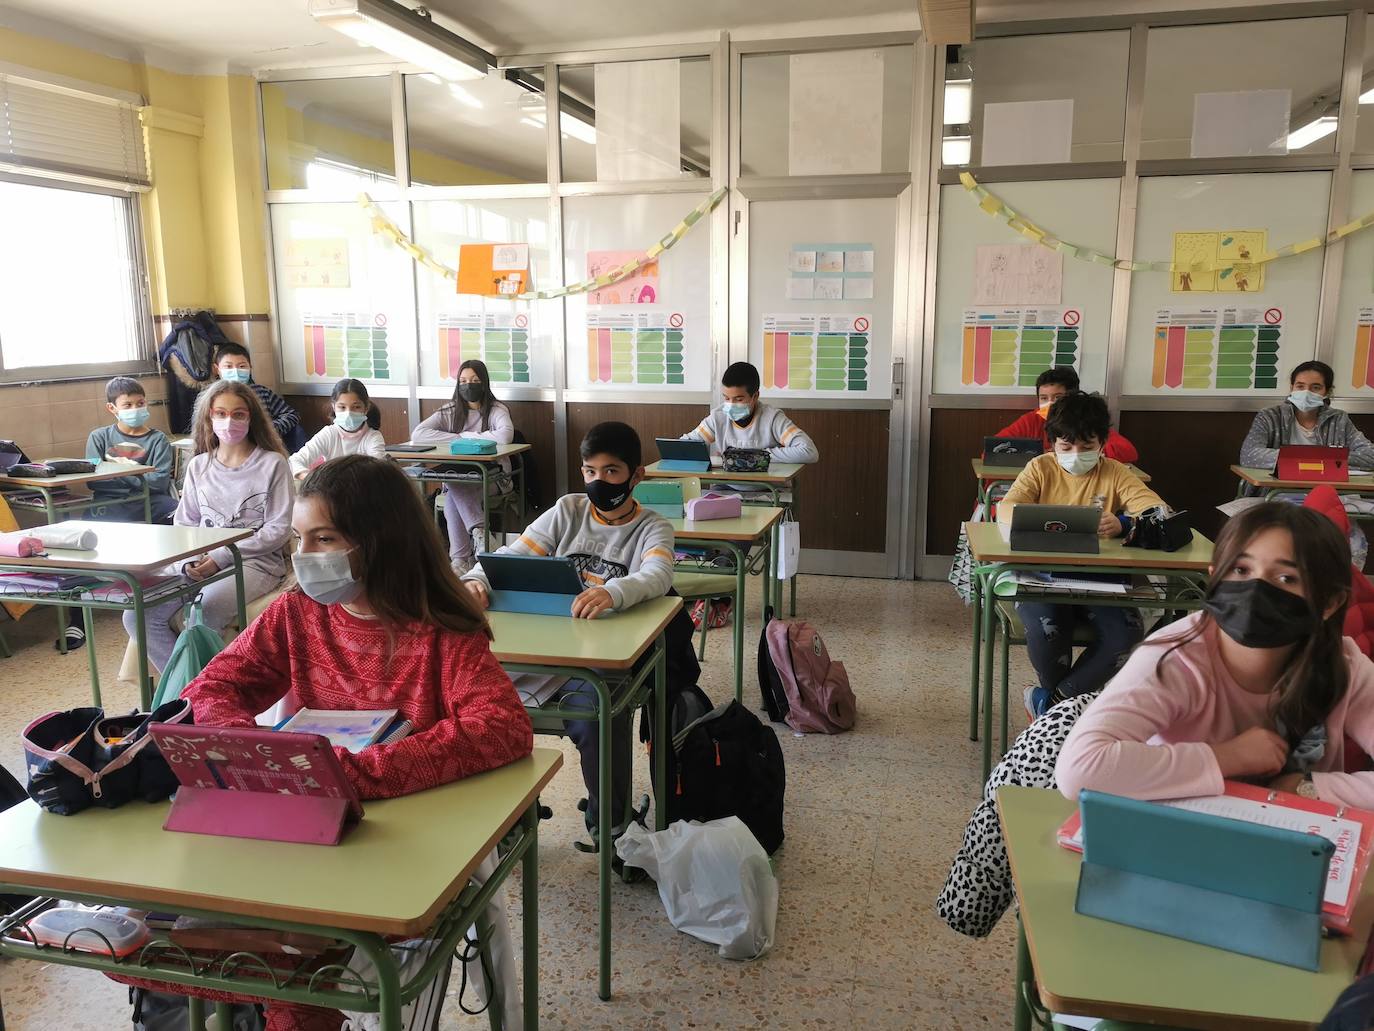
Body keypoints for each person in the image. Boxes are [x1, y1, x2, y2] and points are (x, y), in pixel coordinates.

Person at [179, 455, 533, 1031]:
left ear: (378, 540)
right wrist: (263, 752)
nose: (305, 556)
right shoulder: (297, 612)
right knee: (233, 941)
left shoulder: (440, 627)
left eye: (325, 538)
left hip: (409, 829)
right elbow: (210, 690)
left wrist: (354, 772)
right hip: (312, 820)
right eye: (298, 538)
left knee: (311, 961)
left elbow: (502, 726)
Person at [461, 421, 694, 846]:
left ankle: (612, 826)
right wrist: (476, 579)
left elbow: (657, 575)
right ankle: (508, 815)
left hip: (605, 657)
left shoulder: (653, 527)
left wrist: (612, 592)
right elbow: (513, 554)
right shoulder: (568, 510)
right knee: (482, 699)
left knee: (597, 715)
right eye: (590, 471)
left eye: (611, 472)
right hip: (548, 647)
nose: (598, 482)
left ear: (635, 475)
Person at [1057, 502, 1374, 810]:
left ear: (1330, 603)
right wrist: (1227, 757)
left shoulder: (1342, 664)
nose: (1256, 589)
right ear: (1215, 576)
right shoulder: (1175, 658)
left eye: (1287, 578)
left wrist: (1307, 788)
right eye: (1240, 569)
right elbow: (1080, 770)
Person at [1000, 391, 1170, 718]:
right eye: (1066, 447)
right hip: (1044, 579)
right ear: (1052, 444)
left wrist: (1123, 523)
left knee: (1127, 635)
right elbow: (1006, 509)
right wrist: (1038, 520)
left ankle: (1049, 707)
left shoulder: (1116, 472)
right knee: (1046, 632)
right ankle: (1067, 712)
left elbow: (1160, 512)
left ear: (1103, 443)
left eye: (1087, 447)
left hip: (1102, 580)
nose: (1076, 454)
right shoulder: (1040, 467)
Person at [123, 380, 293, 672]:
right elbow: (185, 522)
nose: (230, 421)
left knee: (206, 609)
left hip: (255, 562)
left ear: (251, 417)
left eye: (239, 414)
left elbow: (277, 530)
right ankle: (182, 690)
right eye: (221, 413)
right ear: (209, 418)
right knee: (136, 614)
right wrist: (189, 560)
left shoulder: (272, 464)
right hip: (199, 560)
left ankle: (204, 691)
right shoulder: (199, 465)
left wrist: (221, 557)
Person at [60, 377, 178, 649]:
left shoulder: (157, 439)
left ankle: (171, 593)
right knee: (81, 543)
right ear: (112, 408)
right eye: (128, 405)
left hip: (150, 501)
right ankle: (76, 620)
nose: (135, 409)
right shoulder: (99, 437)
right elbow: (94, 479)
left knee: (179, 515)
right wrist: (135, 474)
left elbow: (158, 482)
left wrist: (120, 473)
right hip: (109, 503)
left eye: (140, 403)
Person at [411, 360, 516, 574]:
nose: (469, 385)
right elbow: (418, 434)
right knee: (455, 483)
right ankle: (479, 535)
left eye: (475, 380)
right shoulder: (450, 410)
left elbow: (505, 435)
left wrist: (468, 437)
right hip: (459, 479)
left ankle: (460, 559)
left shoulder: (496, 409)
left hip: (495, 479)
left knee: (454, 485)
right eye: (463, 381)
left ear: (484, 383)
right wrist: (457, 437)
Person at [1240, 360, 1374, 472]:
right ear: (1292, 387)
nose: (1306, 392)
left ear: (1327, 391)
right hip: (1276, 490)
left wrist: (1315, 458)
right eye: (1300, 386)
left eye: (1315, 387)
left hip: (1327, 489)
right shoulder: (1269, 416)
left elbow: (1370, 455)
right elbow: (1249, 455)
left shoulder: (1339, 419)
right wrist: (1323, 458)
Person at [681, 361, 819, 465]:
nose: (730, 404)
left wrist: (759, 456)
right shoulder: (718, 417)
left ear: (755, 396)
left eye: (738, 399)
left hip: (767, 490)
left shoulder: (772, 418)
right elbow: (685, 446)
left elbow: (809, 451)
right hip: (725, 488)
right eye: (727, 398)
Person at [994, 366, 1138, 463]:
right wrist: (1042, 453)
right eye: (1044, 398)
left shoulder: (1085, 419)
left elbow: (1127, 451)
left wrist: (1076, 452)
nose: (1050, 404)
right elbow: (993, 449)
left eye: (1057, 398)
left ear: (1072, 398)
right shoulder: (1032, 419)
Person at [288, 377, 388, 480]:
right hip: (331, 491)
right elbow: (295, 461)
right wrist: (315, 480)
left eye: (356, 407)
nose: (348, 413)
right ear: (333, 407)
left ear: (366, 408)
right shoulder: (329, 434)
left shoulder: (373, 437)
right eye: (342, 407)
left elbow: (377, 471)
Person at [213, 342, 306, 452]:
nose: (235, 371)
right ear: (217, 369)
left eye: (242, 366)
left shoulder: (262, 392)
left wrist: (268, 429)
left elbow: (291, 415)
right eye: (228, 366)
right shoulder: (211, 397)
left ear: (250, 367)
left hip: (264, 447)